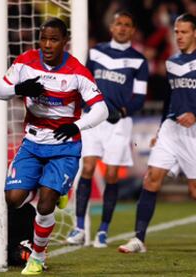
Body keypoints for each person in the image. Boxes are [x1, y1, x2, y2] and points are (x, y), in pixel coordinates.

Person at [0, 17, 108, 275]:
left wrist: (78, 125)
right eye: (44, 38)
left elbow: (101, 109)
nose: (47, 44)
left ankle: (37, 256)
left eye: (54, 39)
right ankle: (55, 187)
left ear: (64, 42)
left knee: (45, 203)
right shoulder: (25, 61)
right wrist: (18, 88)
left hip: (64, 145)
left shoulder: (77, 71)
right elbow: (0, 91)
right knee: (13, 199)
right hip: (33, 142)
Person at [118, 13, 196, 255]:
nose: (179, 36)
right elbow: (170, 98)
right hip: (172, 129)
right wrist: (162, 126)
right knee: (151, 179)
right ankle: (139, 238)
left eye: (184, 32)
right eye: (176, 32)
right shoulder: (171, 62)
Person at [66, 11, 148, 248]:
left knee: (111, 175)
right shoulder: (95, 53)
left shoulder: (139, 61)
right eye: (118, 24)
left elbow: (140, 98)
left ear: (132, 30)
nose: (122, 28)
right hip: (93, 119)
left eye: (127, 25)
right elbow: (83, 82)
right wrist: (85, 106)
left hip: (119, 124)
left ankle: (103, 231)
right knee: (88, 167)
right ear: (111, 27)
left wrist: (122, 111)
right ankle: (79, 227)